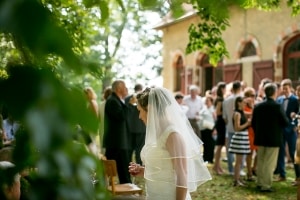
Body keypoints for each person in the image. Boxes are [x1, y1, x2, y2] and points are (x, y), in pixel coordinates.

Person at [129, 87, 211, 200]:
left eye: (140, 111)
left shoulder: (172, 135)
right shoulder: (157, 133)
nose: (139, 116)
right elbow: (164, 169)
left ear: (150, 108)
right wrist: (143, 170)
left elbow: (182, 175)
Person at [252, 83, 289, 192]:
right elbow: (285, 122)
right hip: (273, 138)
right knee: (269, 163)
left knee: (261, 161)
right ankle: (266, 185)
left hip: (260, 137)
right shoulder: (277, 106)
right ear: (274, 92)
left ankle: (260, 182)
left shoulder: (258, 106)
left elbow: (253, 123)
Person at [103, 80, 132, 184]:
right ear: (119, 89)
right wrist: (129, 104)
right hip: (116, 142)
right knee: (122, 168)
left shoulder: (117, 100)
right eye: (125, 87)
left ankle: (126, 187)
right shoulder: (112, 101)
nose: (126, 89)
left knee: (122, 168)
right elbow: (122, 116)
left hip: (118, 142)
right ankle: (127, 189)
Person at [275, 79, 300, 184]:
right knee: (280, 152)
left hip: (291, 130)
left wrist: (294, 126)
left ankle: (298, 177)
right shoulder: (279, 99)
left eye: (286, 88)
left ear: (290, 88)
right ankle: (282, 174)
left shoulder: (296, 100)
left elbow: (298, 114)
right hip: (281, 130)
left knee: (293, 152)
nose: (284, 90)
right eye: (282, 88)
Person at [228, 96, 251, 187]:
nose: (245, 104)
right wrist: (247, 124)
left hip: (243, 137)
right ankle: (236, 180)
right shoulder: (237, 114)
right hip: (239, 138)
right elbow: (237, 128)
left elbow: (251, 112)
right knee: (238, 161)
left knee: (241, 161)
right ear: (239, 103)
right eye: (244, 102)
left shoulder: (241, 112)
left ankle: (238, 178)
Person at [223, 80, 242, 175]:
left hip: (230, 127)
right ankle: (240, 169)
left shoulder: (226, 100)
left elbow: (224, 117)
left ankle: (231, 169)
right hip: (240, 128)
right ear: (239, 88)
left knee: (230, 149)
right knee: (241, 150)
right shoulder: (241, 99)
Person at [125, 83, 146, 165]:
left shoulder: (127, 99)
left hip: (129, 129)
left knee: (129, 150)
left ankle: (129, 167)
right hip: (141, 128)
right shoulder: (144, 98)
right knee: (140, 149)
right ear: (141, 88)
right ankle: (139, 166)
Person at [243, 87, 257, 181]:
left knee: (259, 152)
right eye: (251, 95)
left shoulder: (255, 104)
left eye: (253, 95)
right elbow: (245, 114)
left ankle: (254, 168)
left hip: (256, 130)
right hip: (249, 130)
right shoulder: (244, 105)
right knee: (250, 152)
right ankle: (249, 172)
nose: (252, 97)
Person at [213, 82, 227, 175]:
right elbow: (218, 112)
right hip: (221, 122)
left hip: (220, 122)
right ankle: (215, 166)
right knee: (219, 145)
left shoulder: (220, 99)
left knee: (220, 145)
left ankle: (218, 165)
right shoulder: (220, 99)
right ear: (222, 89)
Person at [199, 95, 216, 164]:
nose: (206, 102)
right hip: (203, 128)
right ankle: (205, 157)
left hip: (210, 128)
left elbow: (215, 119)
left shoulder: (213, 109)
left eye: (208, 100)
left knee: (210, 144)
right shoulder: (204, 108)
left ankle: (210, 158)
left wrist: (215, 129)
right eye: (206, 100)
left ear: (211, 102)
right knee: (205, 144)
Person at [98, 86, 112, 155]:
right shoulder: (113, 104)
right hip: (110, 128)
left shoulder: (101, 104)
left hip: (102, 127)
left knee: (103, 149)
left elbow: (98, 118)